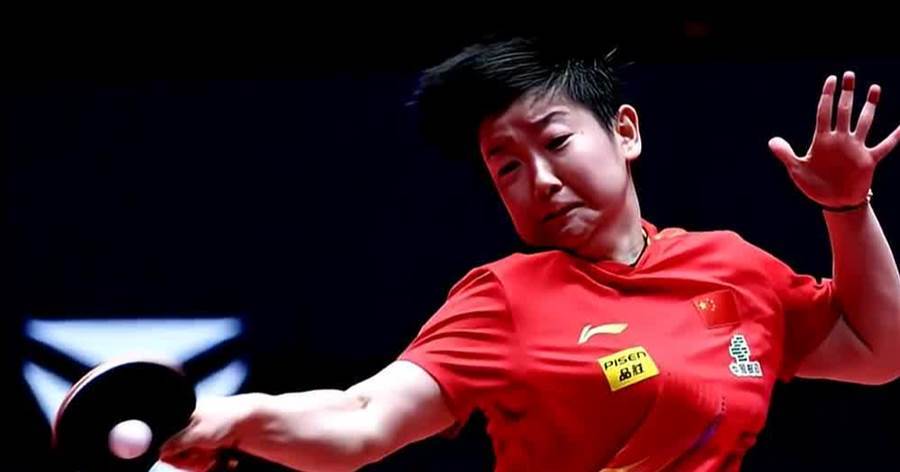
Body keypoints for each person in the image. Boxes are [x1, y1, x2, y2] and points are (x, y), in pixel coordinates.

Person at [160, 37, 900, 472]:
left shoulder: (733, 270)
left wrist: (847, 207)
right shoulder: (506, 296)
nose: (539, 179)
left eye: (556, 140)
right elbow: (363, 416)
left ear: (625, 132)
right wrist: (240, 417)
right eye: (506, 165)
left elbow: (878, 352)